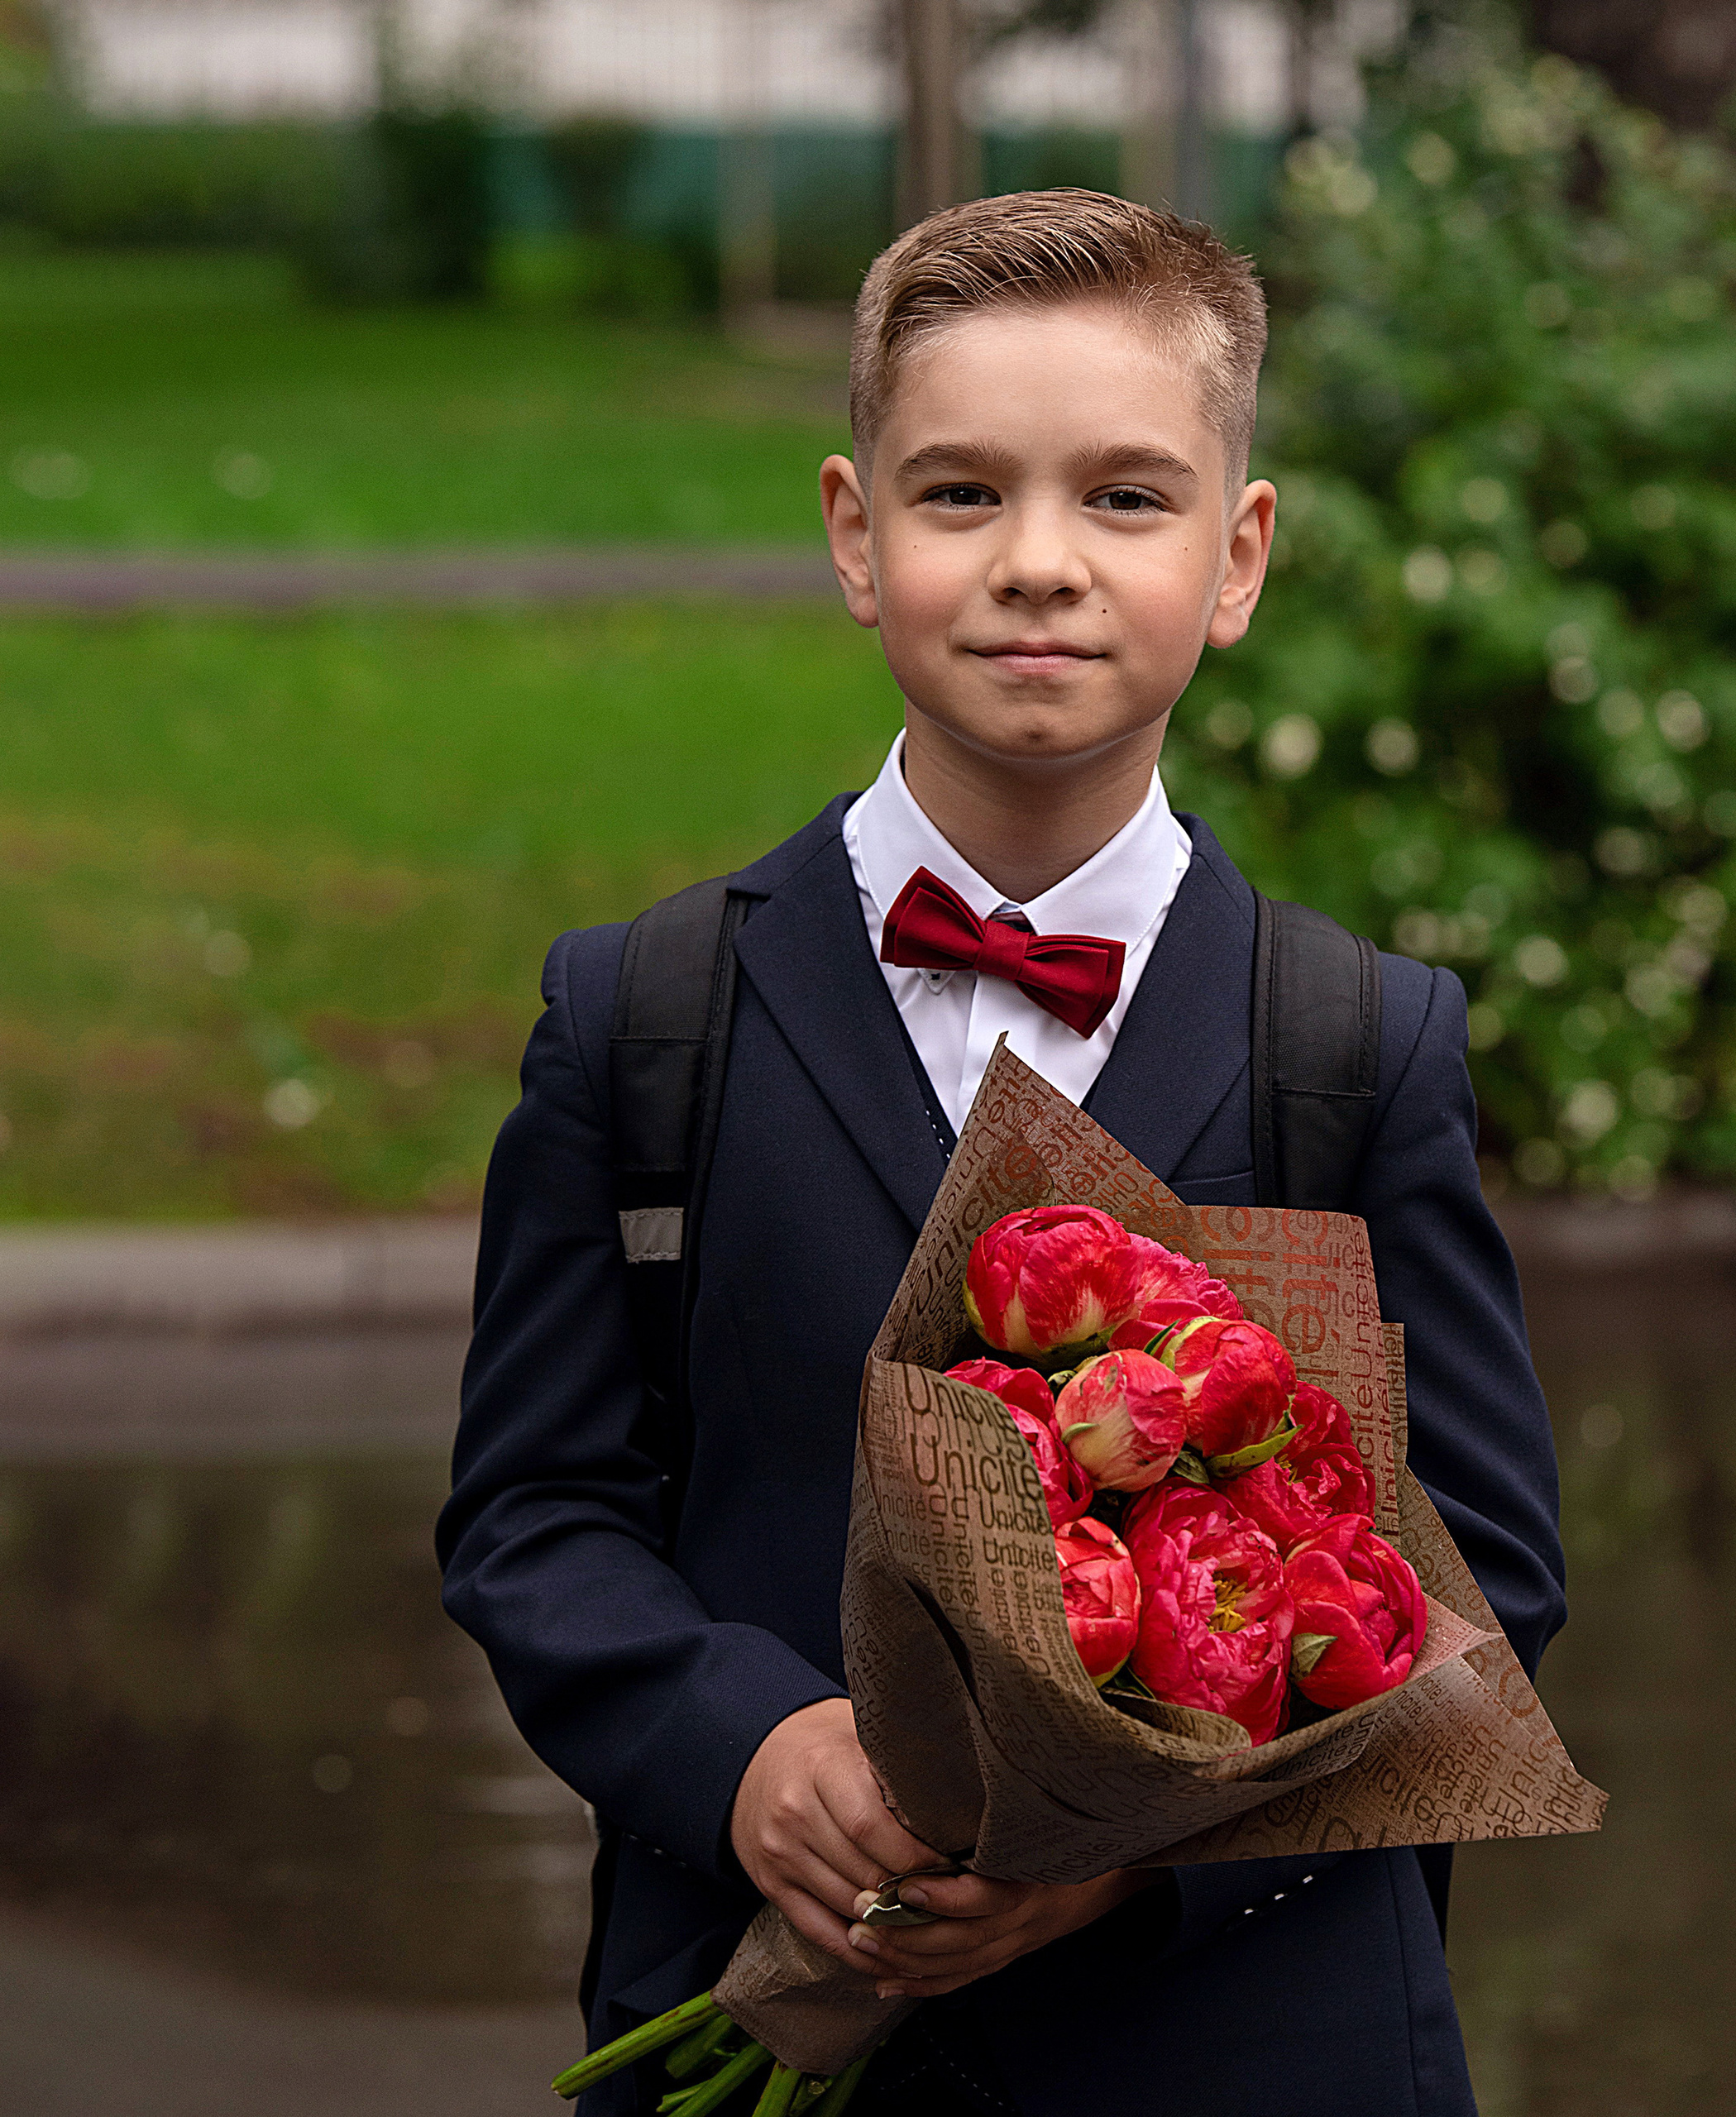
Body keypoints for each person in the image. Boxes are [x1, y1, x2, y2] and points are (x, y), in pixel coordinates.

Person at [438, 189, 1565, 2116]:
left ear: (1239, 553)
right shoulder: (642, 1023)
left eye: (1124, 498)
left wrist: (1118, 1850)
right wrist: (742, 1745)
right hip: (774, 1994)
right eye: (959, 494)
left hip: (1241, 2047)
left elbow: (1479, 1585)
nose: (1037, 562)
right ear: (854, 535)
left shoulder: (1355, 1049)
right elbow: (533, 1513)